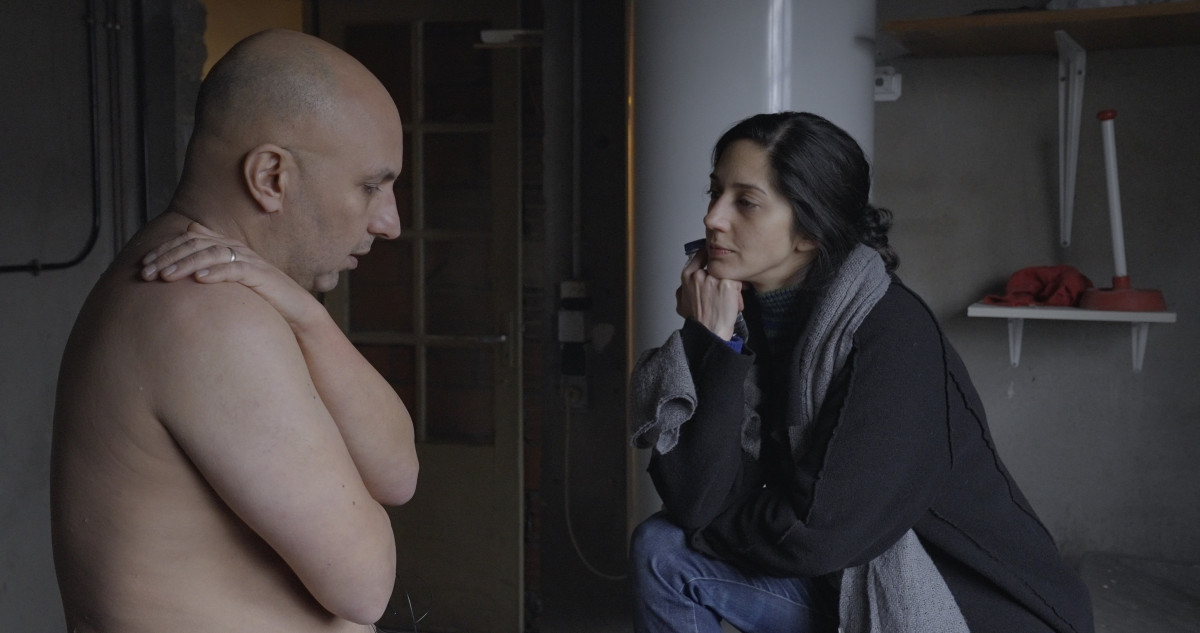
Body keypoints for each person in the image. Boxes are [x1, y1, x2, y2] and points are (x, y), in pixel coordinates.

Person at [628, 112, 1094, 633]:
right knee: (662, 551)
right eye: (715, 192)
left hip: (970, 606)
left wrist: (711, 523)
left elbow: (816, 535)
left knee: (685, 543)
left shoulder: (890, 332)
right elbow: (694, 496)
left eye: (746, 202)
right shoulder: (736, 318)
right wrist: (711, 342)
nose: (713, 217)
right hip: (835, 579)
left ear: (811, 229)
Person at [51, 29, 418, 633]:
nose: (390, 223)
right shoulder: (206, 309)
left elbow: (399, 473)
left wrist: (308, 317)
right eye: (370, 186)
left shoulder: (235, 290)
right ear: (271, 176)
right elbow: (365, 583)